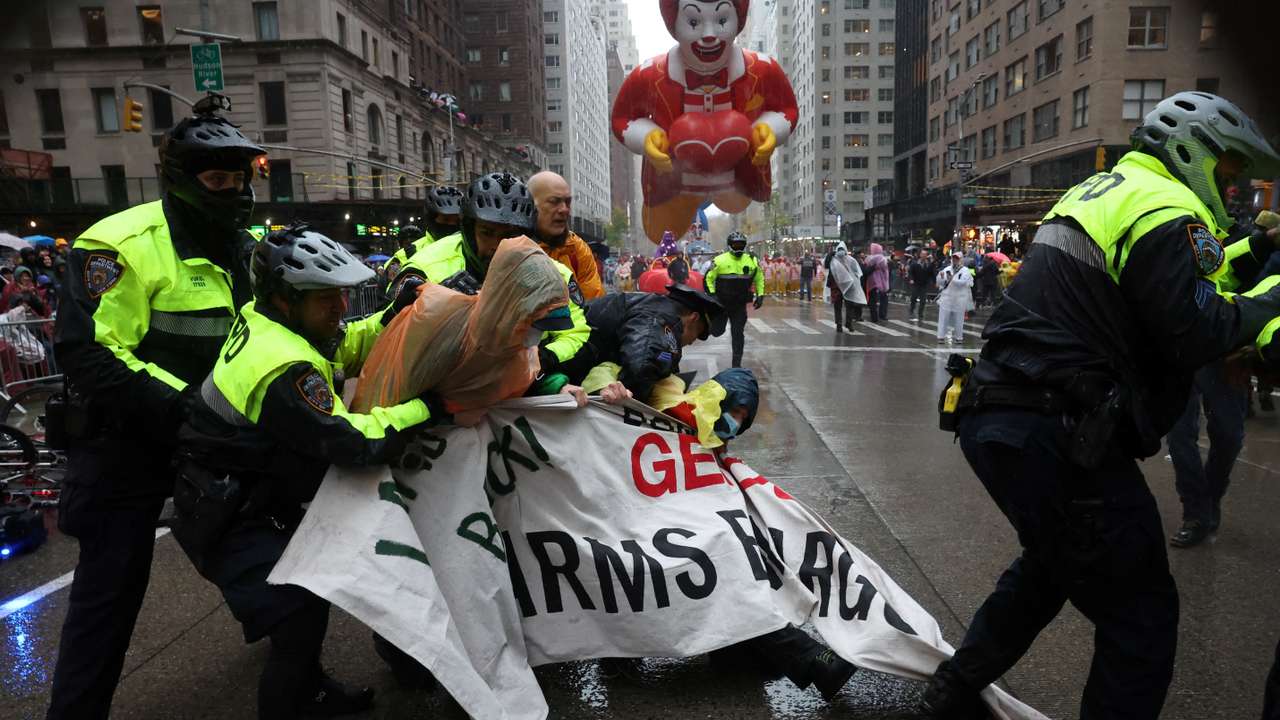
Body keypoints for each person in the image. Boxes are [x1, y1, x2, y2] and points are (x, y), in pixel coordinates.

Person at [918, 92, 1280, 720]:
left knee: (1050, 568)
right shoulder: (1170, 208)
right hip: (1058, 429)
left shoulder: (1113, 191)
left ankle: (951, 691)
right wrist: (1273, 297)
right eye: (1228, 171)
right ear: (1193, 153)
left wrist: (1248, 253)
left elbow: (1171, 278)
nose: (1234, 187)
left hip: (1003, 414)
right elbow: (1195, 326)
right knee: (1142, 616)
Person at [172, 225, 445, 718]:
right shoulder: (282, 365)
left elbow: (340, 344)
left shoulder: (268, 321)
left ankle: (312, 692)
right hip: (229, 513)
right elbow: (353, 441)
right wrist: (426, 407)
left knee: (308, 602)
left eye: (342, 297)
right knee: (296, 618)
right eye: (327, 300)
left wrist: (391, 316)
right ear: (284, 300)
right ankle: (290, 702)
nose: (340, 310)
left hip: (236, 495)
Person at [48, 102, 266, 719]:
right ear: (180, 180)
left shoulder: (247, 247)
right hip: (126, 445)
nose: (235, 191)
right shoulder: (118, 244)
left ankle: (300, 674)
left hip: (213, 437)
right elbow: (89, 352)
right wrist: (186, 410)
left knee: (278, 552)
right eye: (218, 180)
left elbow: (263, 336)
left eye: (242, 178)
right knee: (108, 593)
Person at [391, 172, 591, 382]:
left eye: (509, 236)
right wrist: (437, 309)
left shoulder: (557, 276)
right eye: (487, 233)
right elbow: (389, 342)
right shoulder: (425, 268)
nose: (498, 245)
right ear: (469, 230)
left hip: (522, 393)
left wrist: (542, 359)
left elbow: (577, 334)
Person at [568, 283, 727, 406]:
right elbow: (642, 367)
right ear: (694, 318)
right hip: (567, 368)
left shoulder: (657, 308)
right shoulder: (661, 320)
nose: (692, 341)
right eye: (698, 333)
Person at [1166, 356, 1250, 549]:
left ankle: (1211, 498)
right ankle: (1196, 513)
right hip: (1178, 354)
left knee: (1230, 436)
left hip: (1227, 354)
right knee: (1179, 435)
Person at [528, 170, 605, 300]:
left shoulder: (577, 249)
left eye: (567, 202)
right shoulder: (509, 248)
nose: (564, 209)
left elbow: (593, 306)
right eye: (554, 201)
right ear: (531, 204)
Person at [705, 231, 764, 368]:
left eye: (741, 244)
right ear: (730, 245)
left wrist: (760, 295)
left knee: (738, 334)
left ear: (745, 245)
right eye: (735, 244)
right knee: (717, 331)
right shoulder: (719, 260)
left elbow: (759, 278)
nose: (738, 247)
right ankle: (708, 324)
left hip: (739, 306)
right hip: (722, 304)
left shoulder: (752, 260)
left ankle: (736, 365)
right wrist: (712, 295)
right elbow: (708, 278)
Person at [934, 252, 973, 345]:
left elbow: (963, 282)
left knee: (959, 318)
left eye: (957, 258)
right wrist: (942, 278)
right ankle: (941, 337)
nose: (955, 260)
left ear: (960, 259)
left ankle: (959, 337)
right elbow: (940, 282)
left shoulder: (965, 270)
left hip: (960, 298)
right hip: (947, 297)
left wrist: (952, 279)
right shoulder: (947, 269)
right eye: (953, 258)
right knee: (943, 317)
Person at [826, 242, 864, 332]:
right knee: (840, 306)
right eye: (840, 250)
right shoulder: (833, 259)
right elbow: (826, 265)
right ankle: (841, 324)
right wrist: (829, 255)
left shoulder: (850, 260)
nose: (841, 252)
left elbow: (857, 272)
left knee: (847, 306)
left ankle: (847, 323)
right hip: (838, 286)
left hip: (847, 286)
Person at [864, 243, 890, 323]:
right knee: (883, 299)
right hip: (881, 282)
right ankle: (882, 315)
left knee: (873, 301)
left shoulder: (868, 259)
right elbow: (885, 268)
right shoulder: (882, 259)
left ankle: (874, 317)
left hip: (871, 282)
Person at [908, 249, 934, 322]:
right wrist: (911, 279)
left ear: (926, 256)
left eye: (925, 254)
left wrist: (933, 281)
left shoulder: (928, 264)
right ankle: (911, 310)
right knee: (913, 298)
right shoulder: (915, 263)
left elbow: (931, 273)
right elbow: (911, 272)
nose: (924, 256)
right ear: (920, 255)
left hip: (924, 284)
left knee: (923, 300)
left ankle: (920, 313)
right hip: (916, 283)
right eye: (922, 254)